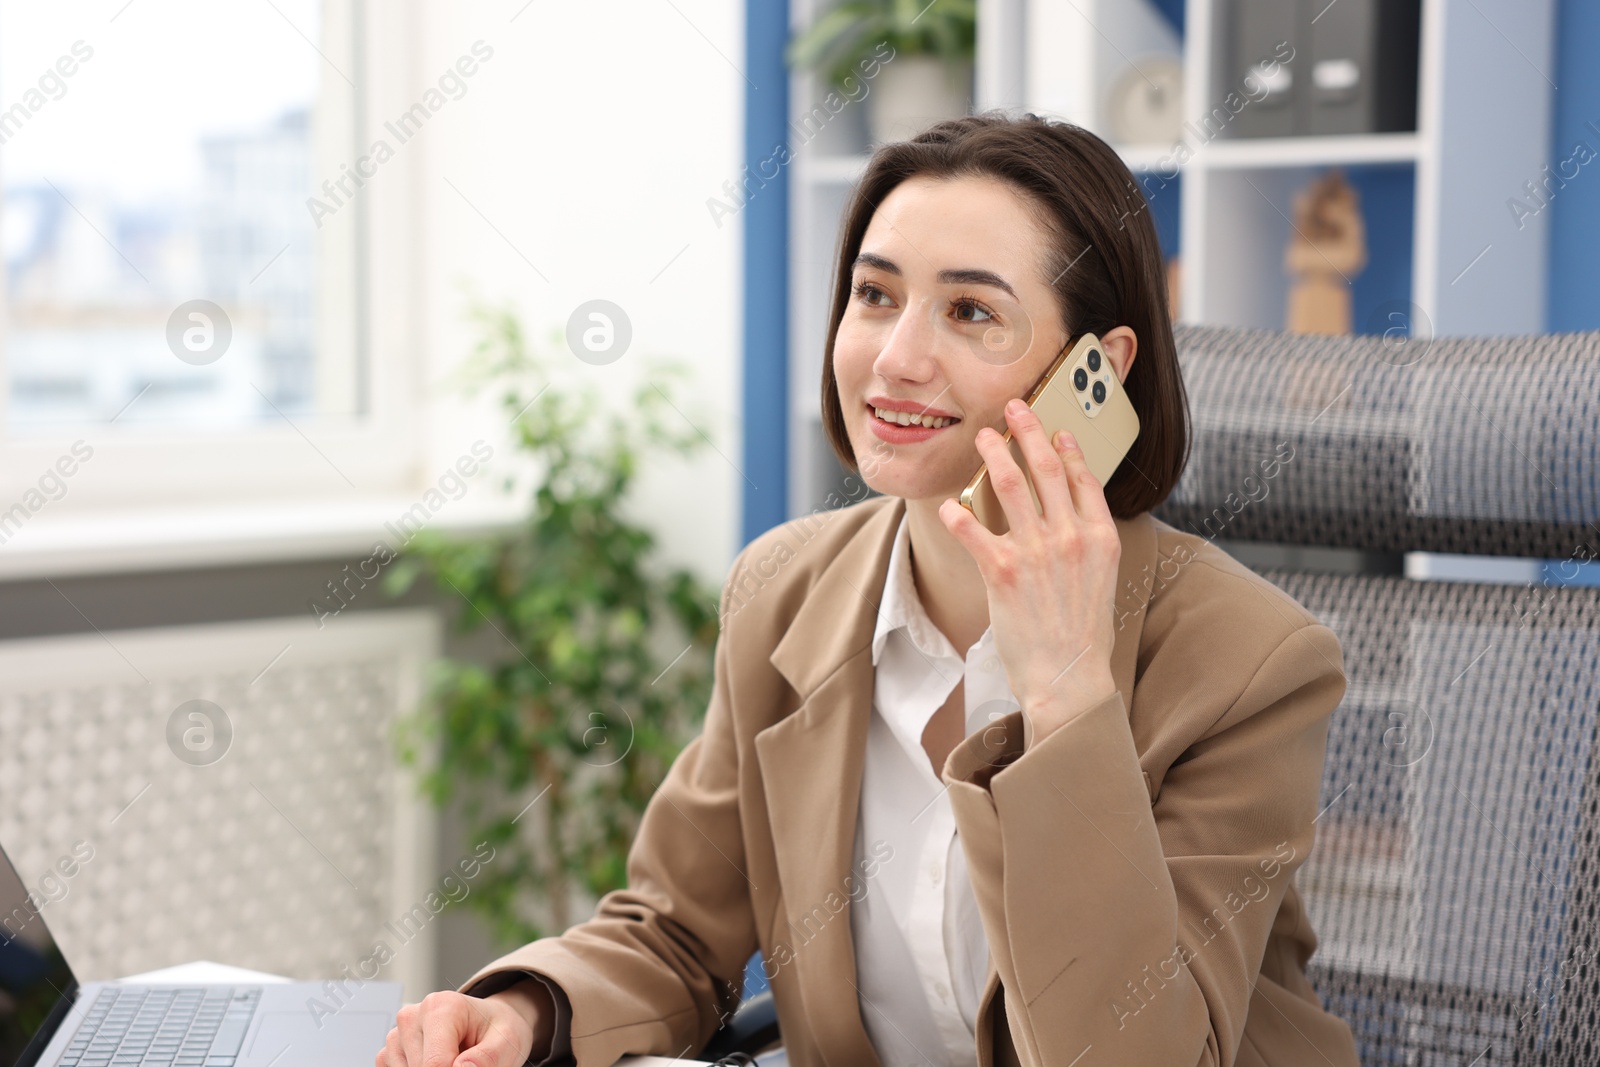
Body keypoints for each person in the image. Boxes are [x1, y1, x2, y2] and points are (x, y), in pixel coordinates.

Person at [376, 112, 1362, 1067]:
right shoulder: (785, 590)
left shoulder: (1250, 660)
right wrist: (523, 1011)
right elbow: (675, 933)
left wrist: (1065, 693)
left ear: (1094, 373)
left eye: (971, 311)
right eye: (876, 295)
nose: (895, 359)